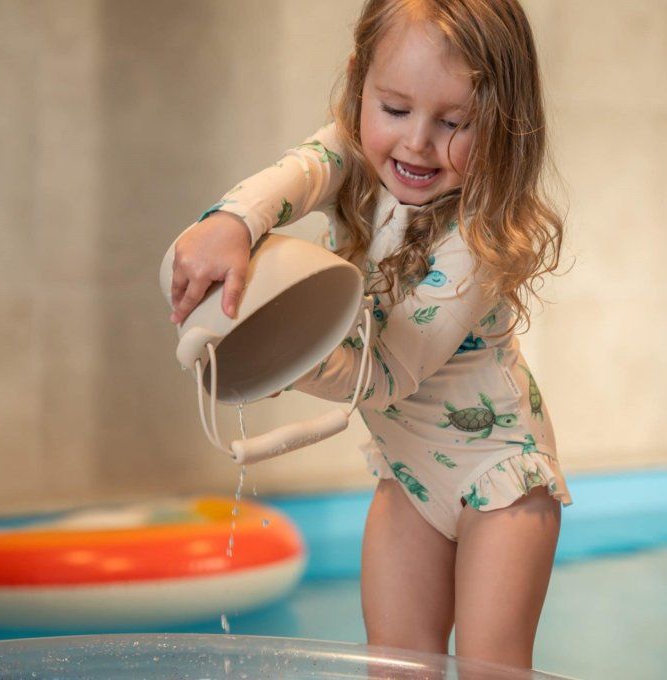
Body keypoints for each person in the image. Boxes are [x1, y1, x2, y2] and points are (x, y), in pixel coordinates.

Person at [169, 0, 571, 668]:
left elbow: (385, 376)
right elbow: (297, 175)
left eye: (454, 123)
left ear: (505, 127)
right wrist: (233, 223)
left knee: (490, 666)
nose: (415, 142)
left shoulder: (479, 240)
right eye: (394, 110)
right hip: (408, 474)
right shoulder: (355, 155)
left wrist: (277, 354)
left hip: (501, 479)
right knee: (392, 663)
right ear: (360, 85)